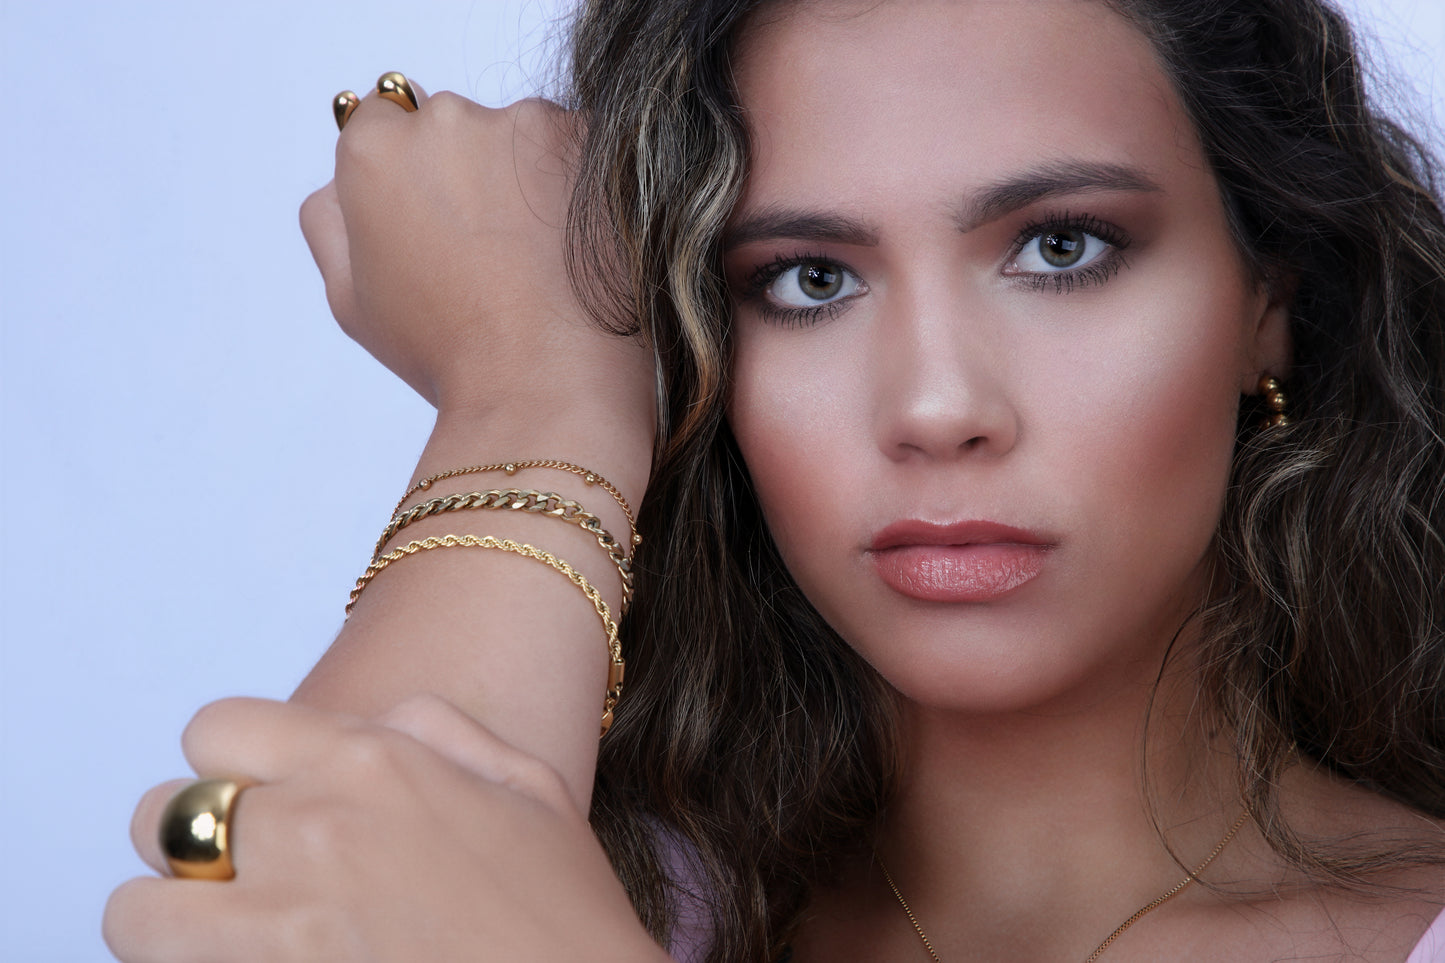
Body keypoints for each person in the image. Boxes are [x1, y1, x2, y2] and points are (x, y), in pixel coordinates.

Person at [103, 0, 1445, 960]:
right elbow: (263, 901)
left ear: (1267, 301)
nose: (935, 409)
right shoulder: (611, 889)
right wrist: (539, 383)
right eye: (808, 280)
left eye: (1060, 249)